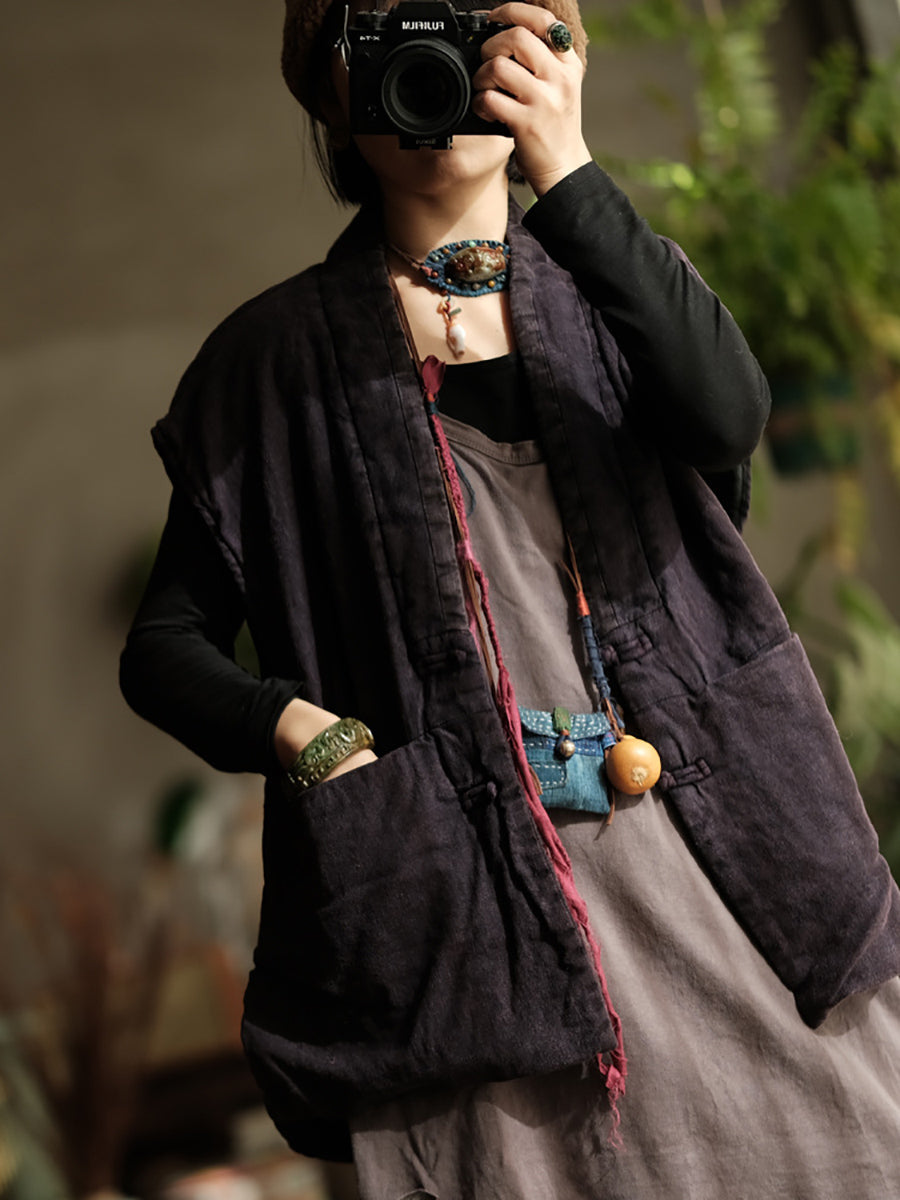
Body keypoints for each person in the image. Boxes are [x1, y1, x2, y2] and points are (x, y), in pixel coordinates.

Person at [120, 0, 900, 1194]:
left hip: (718, 865)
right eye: (384, 33)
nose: (432, 65)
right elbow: (163, 645)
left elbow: (727, 423)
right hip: (460, 907)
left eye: (468, 24)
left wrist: (568, 168)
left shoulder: (621, 293)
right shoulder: (265, 367)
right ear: (330, 87)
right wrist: (301, 732)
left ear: (548, 49)